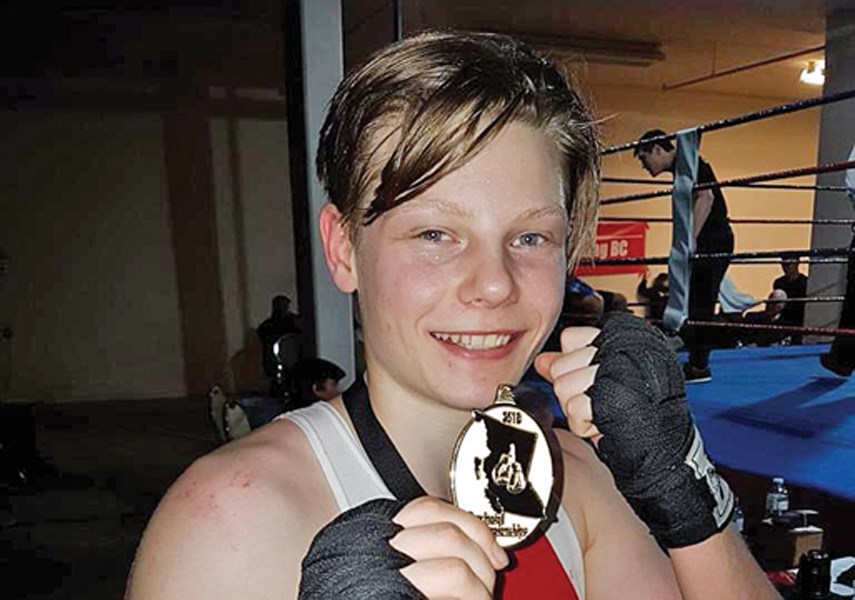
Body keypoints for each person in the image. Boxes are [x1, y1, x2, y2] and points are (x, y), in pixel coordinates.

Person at [126, 31, 778, 599]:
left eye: (530, 238)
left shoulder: (580, 479)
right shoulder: (229, 521)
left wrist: (689, 499)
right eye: (434, 235)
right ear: (344, 249)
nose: (493, 285)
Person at [635, 129, 735, 384]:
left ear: (658, 149)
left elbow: (706, 196)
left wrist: (690, 238)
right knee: (692, 299)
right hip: (710, 239)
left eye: (645, 158)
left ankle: (699, 367)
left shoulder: (690, 162)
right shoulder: (684, 165)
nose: (645, 167)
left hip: (712, 240)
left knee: (701, 301)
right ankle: (692, 356)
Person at [257, 294, 301, 397]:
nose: (283, 309)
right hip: (275, 360)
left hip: (293, 359)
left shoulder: (295, 321)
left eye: (285, 306)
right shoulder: (268, 325)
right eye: (281, 306)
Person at [773, 258, 807, 344]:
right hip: (784, 317)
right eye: (783, 265)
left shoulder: (805, 282)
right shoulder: (779, 282)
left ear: (797, 264)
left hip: (800, 317)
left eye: (788, 265)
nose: (785, 268)